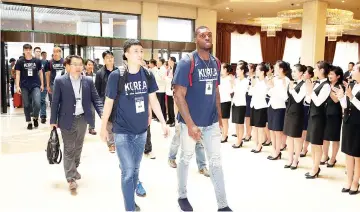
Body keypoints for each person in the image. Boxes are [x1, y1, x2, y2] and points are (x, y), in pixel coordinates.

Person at [100, 39, 169, 212]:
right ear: (126, 54)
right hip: (122, 131)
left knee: (135, 169)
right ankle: (129, 208)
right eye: (136, 51)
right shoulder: (117, 75)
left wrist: (162, 121)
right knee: (128, 171)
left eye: (141, 51)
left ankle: (131, 198)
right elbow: (108, 103)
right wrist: (102, 128)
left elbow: (153, 100)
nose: (140, 54)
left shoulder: (147, 75)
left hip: (141, 131)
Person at [173, 26, 231, 211]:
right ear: (196, 40)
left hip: (211, 122)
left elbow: (215, 91)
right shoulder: (186, 62)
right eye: (202, 35)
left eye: (209, 35)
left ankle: (223, 205)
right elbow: (178, 95)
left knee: (215, 162)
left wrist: (220, 117)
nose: (207, 37)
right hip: (190, 123)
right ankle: (182, 195)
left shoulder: (215, 62)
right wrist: (190, 125)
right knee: (186, 158)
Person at [50, 55, 103, 192]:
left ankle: (73, 168)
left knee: (78, 146)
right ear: (68, 66)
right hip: (66, 118)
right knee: (69, 148)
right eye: (75, 64)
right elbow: (55, 102)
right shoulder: (60, 81)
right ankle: (71, 178)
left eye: (80, 64)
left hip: (82, 119)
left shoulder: (88, 81)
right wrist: (53, 121)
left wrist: (103, 113)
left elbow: (96, 99)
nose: (78, 67)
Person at [335, 64, 360, 195]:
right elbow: (346, 106)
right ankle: (349, 180)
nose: (352, 71)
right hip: (348, 122)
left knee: (357, 155)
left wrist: (351, 97)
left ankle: (356, 182)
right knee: (348, 153)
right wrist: (341, 97)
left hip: (358, 124)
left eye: (355, 69)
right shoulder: (353, 85)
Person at [304, 61, 331, 179]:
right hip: (312, 115)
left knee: (317, 144)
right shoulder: (316, 83)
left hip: (319, 117)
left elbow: (319, 102)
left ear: (321, 70)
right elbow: (310, 100)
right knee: (312, 143)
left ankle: (316, 168)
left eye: (315, 68)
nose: (313, 71)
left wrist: (310, 91)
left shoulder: (326, 85)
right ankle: (314, 166)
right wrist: (309, 92)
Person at [15, 44, 44, 130]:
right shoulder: (20, 61)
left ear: (31, 50)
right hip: (24, 86)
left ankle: (35, 117)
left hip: (35, 85)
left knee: (37, 103)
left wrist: (42, 84)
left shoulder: (37, 61)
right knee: (26, 104)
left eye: (29, 49)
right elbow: (17, 74)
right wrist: (17, 86)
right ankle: (29, 122)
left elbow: (40, 73)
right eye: (26, 49)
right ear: (23, 51)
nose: (28, 51)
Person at [283, 64, 306, 169]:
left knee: (296, 138)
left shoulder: (304, 85)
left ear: (301, 73)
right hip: (289, 111)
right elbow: (287, 97)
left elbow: (298, 99)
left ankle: (296, 160)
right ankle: (290, 159)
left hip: (297, 113)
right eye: (292, 71)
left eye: (295, 72)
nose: (292, 73)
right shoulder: (291, 83)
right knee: (289, 137)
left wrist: (291, 89)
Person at [267, 61, 290, 160]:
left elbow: (285, 97)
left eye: (276, 67)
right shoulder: (274, 79)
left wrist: (273, 88)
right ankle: (273, 150)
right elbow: (269, 92)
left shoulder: (287, 80)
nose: (274, 69)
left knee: (277, 131)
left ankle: (277, 151)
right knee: (271, 129)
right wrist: (272, 87)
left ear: (281, 69)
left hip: (280, 107)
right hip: (272, 105)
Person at [322, 66, 344, 167]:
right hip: (324, 113)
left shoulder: (340, 86)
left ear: (338, 76)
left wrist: (329, 90)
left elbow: (336, 100)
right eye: (329, 74)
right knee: (324, 137)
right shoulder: (326, 84)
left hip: (335, 114)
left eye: (332, 74)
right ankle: (325, 155)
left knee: (334, 138)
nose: (329, 76)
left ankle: (333, 158)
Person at [248, 62, 269, 154]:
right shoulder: (255, 80)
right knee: (254, 127)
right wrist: (252, 85)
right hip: (254, 105)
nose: (255, 72)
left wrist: (254, 88)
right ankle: (256, 144)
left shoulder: (266, 81)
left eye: (257, 70)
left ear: (262, 72)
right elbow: (250, 93)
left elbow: (264, 94)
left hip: (261, 106)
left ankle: (260, 145)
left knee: (260, 128)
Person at [231, 61, 249, 148]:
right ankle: (238, 139)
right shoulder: (236, 80)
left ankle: (239, 140)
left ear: (242, 71)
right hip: (235, 102)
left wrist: (234, 85)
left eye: (238, 69)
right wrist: (232, 84)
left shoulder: (246, 81)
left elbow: (241, 92)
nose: (236, 71)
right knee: (236, 123)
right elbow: (232, 91)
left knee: (240, 123)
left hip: (241, 104)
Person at [300, 66, 314, 157]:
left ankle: (304, 148)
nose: (303, 74)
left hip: (307, 107)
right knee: (301, 129)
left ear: (310, 75)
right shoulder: (301, 83)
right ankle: (300, 147)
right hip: (300, 107)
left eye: (305, 73)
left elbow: (309, 98)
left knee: (305, 129)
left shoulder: (310, 83)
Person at [219, 63, 234, 143]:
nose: (220, 69)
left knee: (224, 120)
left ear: (225, 69)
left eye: (221, 68)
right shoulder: (220, 78)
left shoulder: (230, 78)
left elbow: (231, 90)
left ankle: (225, 135)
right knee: (220, 119)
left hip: (226, 101)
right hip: (220, 101)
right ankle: (222, 133)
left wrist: (232, 83)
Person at [84, 59, 97, 135]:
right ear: (85, 66)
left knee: (92, 112)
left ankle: (91, 128)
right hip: (82, 96)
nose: (90, 66)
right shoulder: (81, 75)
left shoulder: (95, 75)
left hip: (91, 97)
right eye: (89, 64)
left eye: (91, 65)